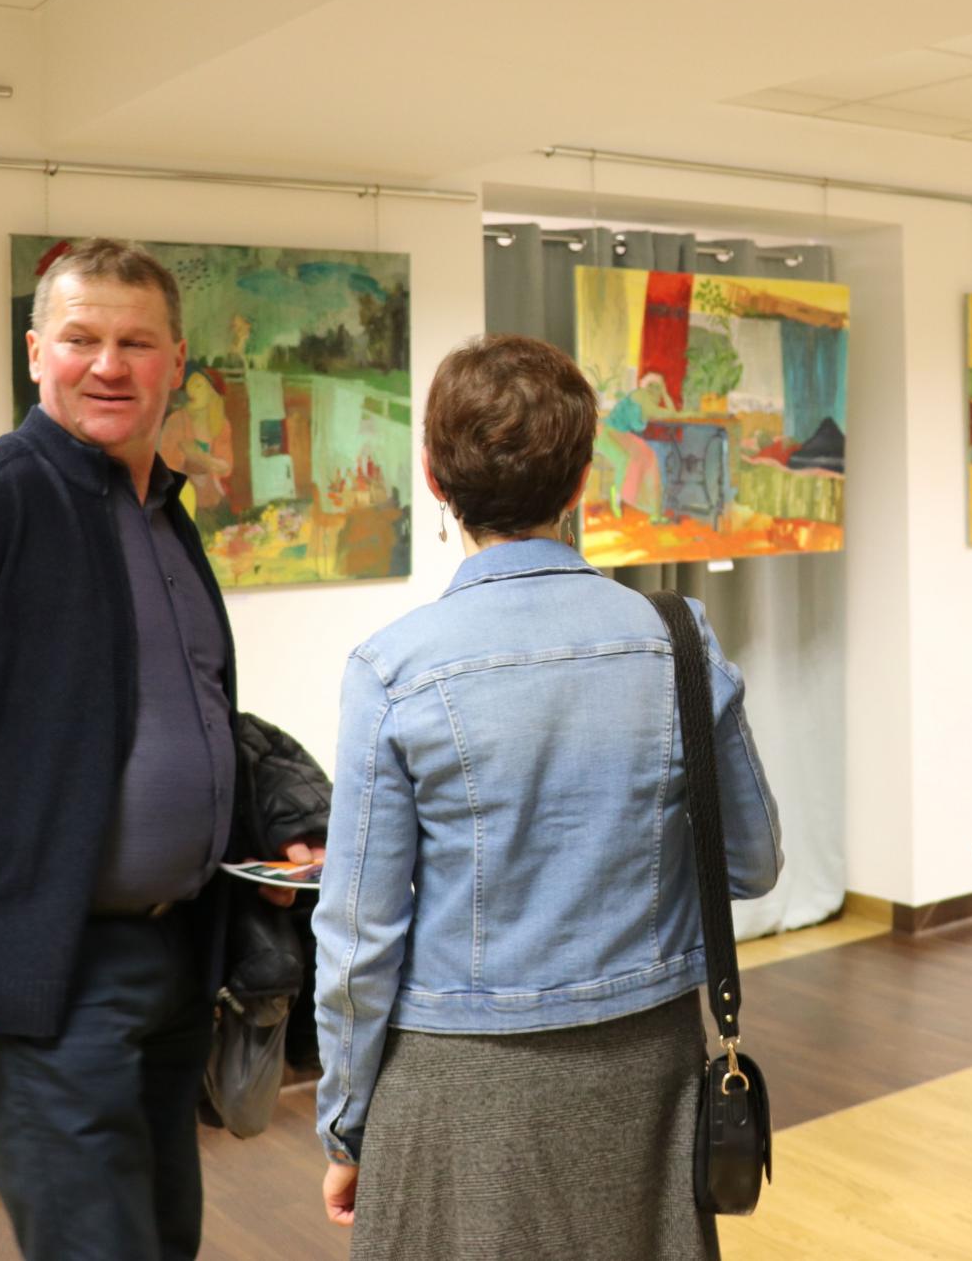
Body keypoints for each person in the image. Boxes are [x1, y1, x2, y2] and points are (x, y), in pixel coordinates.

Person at [0, 238, 318, 1260]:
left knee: (164, 1238)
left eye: (137, 343)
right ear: (37, 353)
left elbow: (187, 717)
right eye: (81, 339)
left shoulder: (166, 518)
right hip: (46, 975)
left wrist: (276, 824)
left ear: (178, 362)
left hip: (177, 960)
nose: (108, 365)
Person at [313, 333, 783, 1260]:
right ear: (581, 482)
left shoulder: (394, 669)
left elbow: (359, 940)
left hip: (456, 1083)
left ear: (433, 479)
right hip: (645, 1066)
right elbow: (754, 863)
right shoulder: (678, 638)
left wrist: (344, 1123)